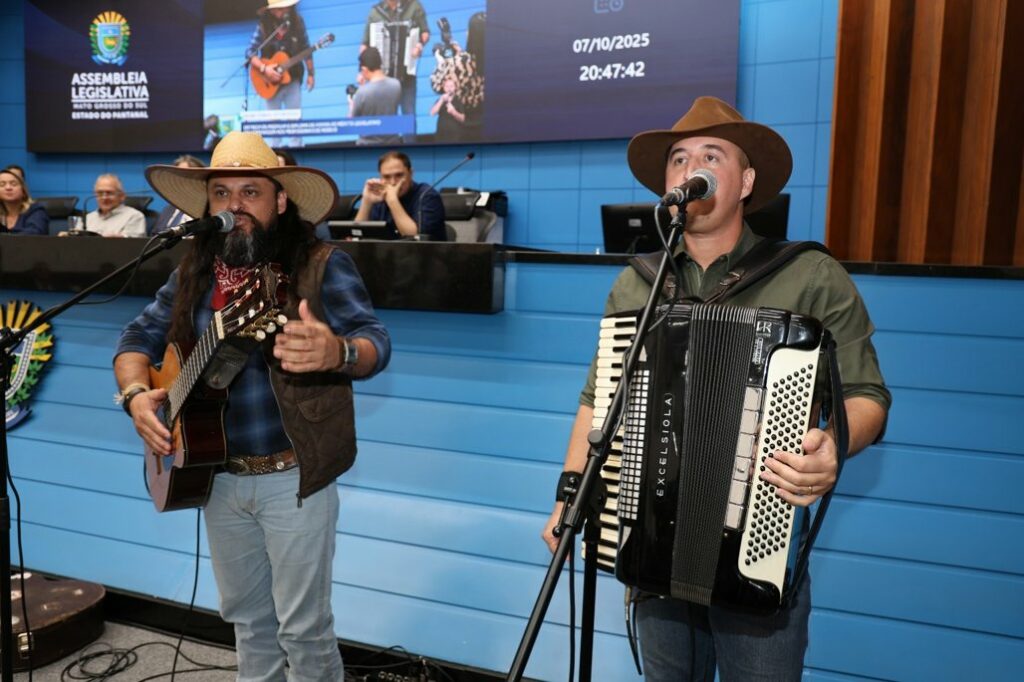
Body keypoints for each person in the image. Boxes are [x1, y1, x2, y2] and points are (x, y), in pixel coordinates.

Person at [540, 96, 891, 681]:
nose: (690, 169)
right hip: (652, 540)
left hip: (761, 544)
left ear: (746, 182)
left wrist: (832, 446)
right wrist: (568, 493)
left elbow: (867, 394)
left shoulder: (809, 274)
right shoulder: (638, 284)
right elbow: (598, 401)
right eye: (678, 159)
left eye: (710, 156)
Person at [113, 131, 390, 680]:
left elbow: (375, 341)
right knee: (248, 624)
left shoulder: (321, 263)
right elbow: (135, 340)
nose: (234, 206)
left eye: (250, 192)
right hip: (216, 476)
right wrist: (136, 396)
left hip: (294, 478)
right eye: (221, 193)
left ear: (280, 200)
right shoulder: (192, 271)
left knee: (303, 630)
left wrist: (339, 351)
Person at [247, 0, 315, 147]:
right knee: (273, 125)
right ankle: (274, 154)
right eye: (279, 9)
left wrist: (311, 74)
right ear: (271, 11)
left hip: (293, 77)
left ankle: (296, 152)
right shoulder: (263, 26)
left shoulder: (297, 22)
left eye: (285, 8)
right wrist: (265, 69)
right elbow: (250, 52)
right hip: (269, 82)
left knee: (295, 122)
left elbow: (306, 48)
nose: (283, 11)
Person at [361, 0, 430, 137]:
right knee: (385, 119)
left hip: (406, 74)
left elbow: (425, 32)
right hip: (383, 77)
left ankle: (410, 148)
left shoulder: (414, 6)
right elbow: (365, 44)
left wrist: (419, 45)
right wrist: (362, 70)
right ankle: (388, 147)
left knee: (408, 117)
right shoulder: (375, 12)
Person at [353, 150, 445, 240]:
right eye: (386, 177)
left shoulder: (427, 196)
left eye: (399, 175)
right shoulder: (380, 198)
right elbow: (356, 235)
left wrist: (392, 200)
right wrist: (366, 202)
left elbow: (415, 239)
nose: (393, 182)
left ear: (411, 173)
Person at [349, 46, 402, 146]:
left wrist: (351, 104)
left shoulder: (362, 92)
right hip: (393, 144)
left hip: (367, 146)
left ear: (364, 69)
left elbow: (352, 122)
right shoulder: (396, 85)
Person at [152, 155, 207, 233]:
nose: (179, 180)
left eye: (185, 175)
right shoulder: (168, 209)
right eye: (177, 175)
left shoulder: (207, 210)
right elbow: (154, 234)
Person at [0, 167, 48, 235]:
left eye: (13, 184)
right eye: (2, 184)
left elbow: (33, 234)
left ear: (23, 190)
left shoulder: (36, 210)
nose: (8, 188)